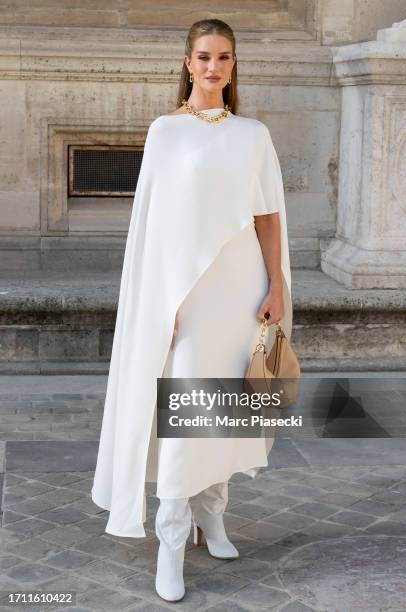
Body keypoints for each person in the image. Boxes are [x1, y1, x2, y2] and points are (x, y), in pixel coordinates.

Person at [91, 17, 293, 603]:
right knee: (184, 405)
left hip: (241, 287)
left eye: (224, 58)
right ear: (187, 63)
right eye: (204, 57)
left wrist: (275, 284)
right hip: (183, 294)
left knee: (226, 405)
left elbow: (268, 217)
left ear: (234, 65)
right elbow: (151, 229)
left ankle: (214, 517)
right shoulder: (165, 133)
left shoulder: (253, 134)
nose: (213, 67)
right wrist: (161, 298)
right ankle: (171, 543)